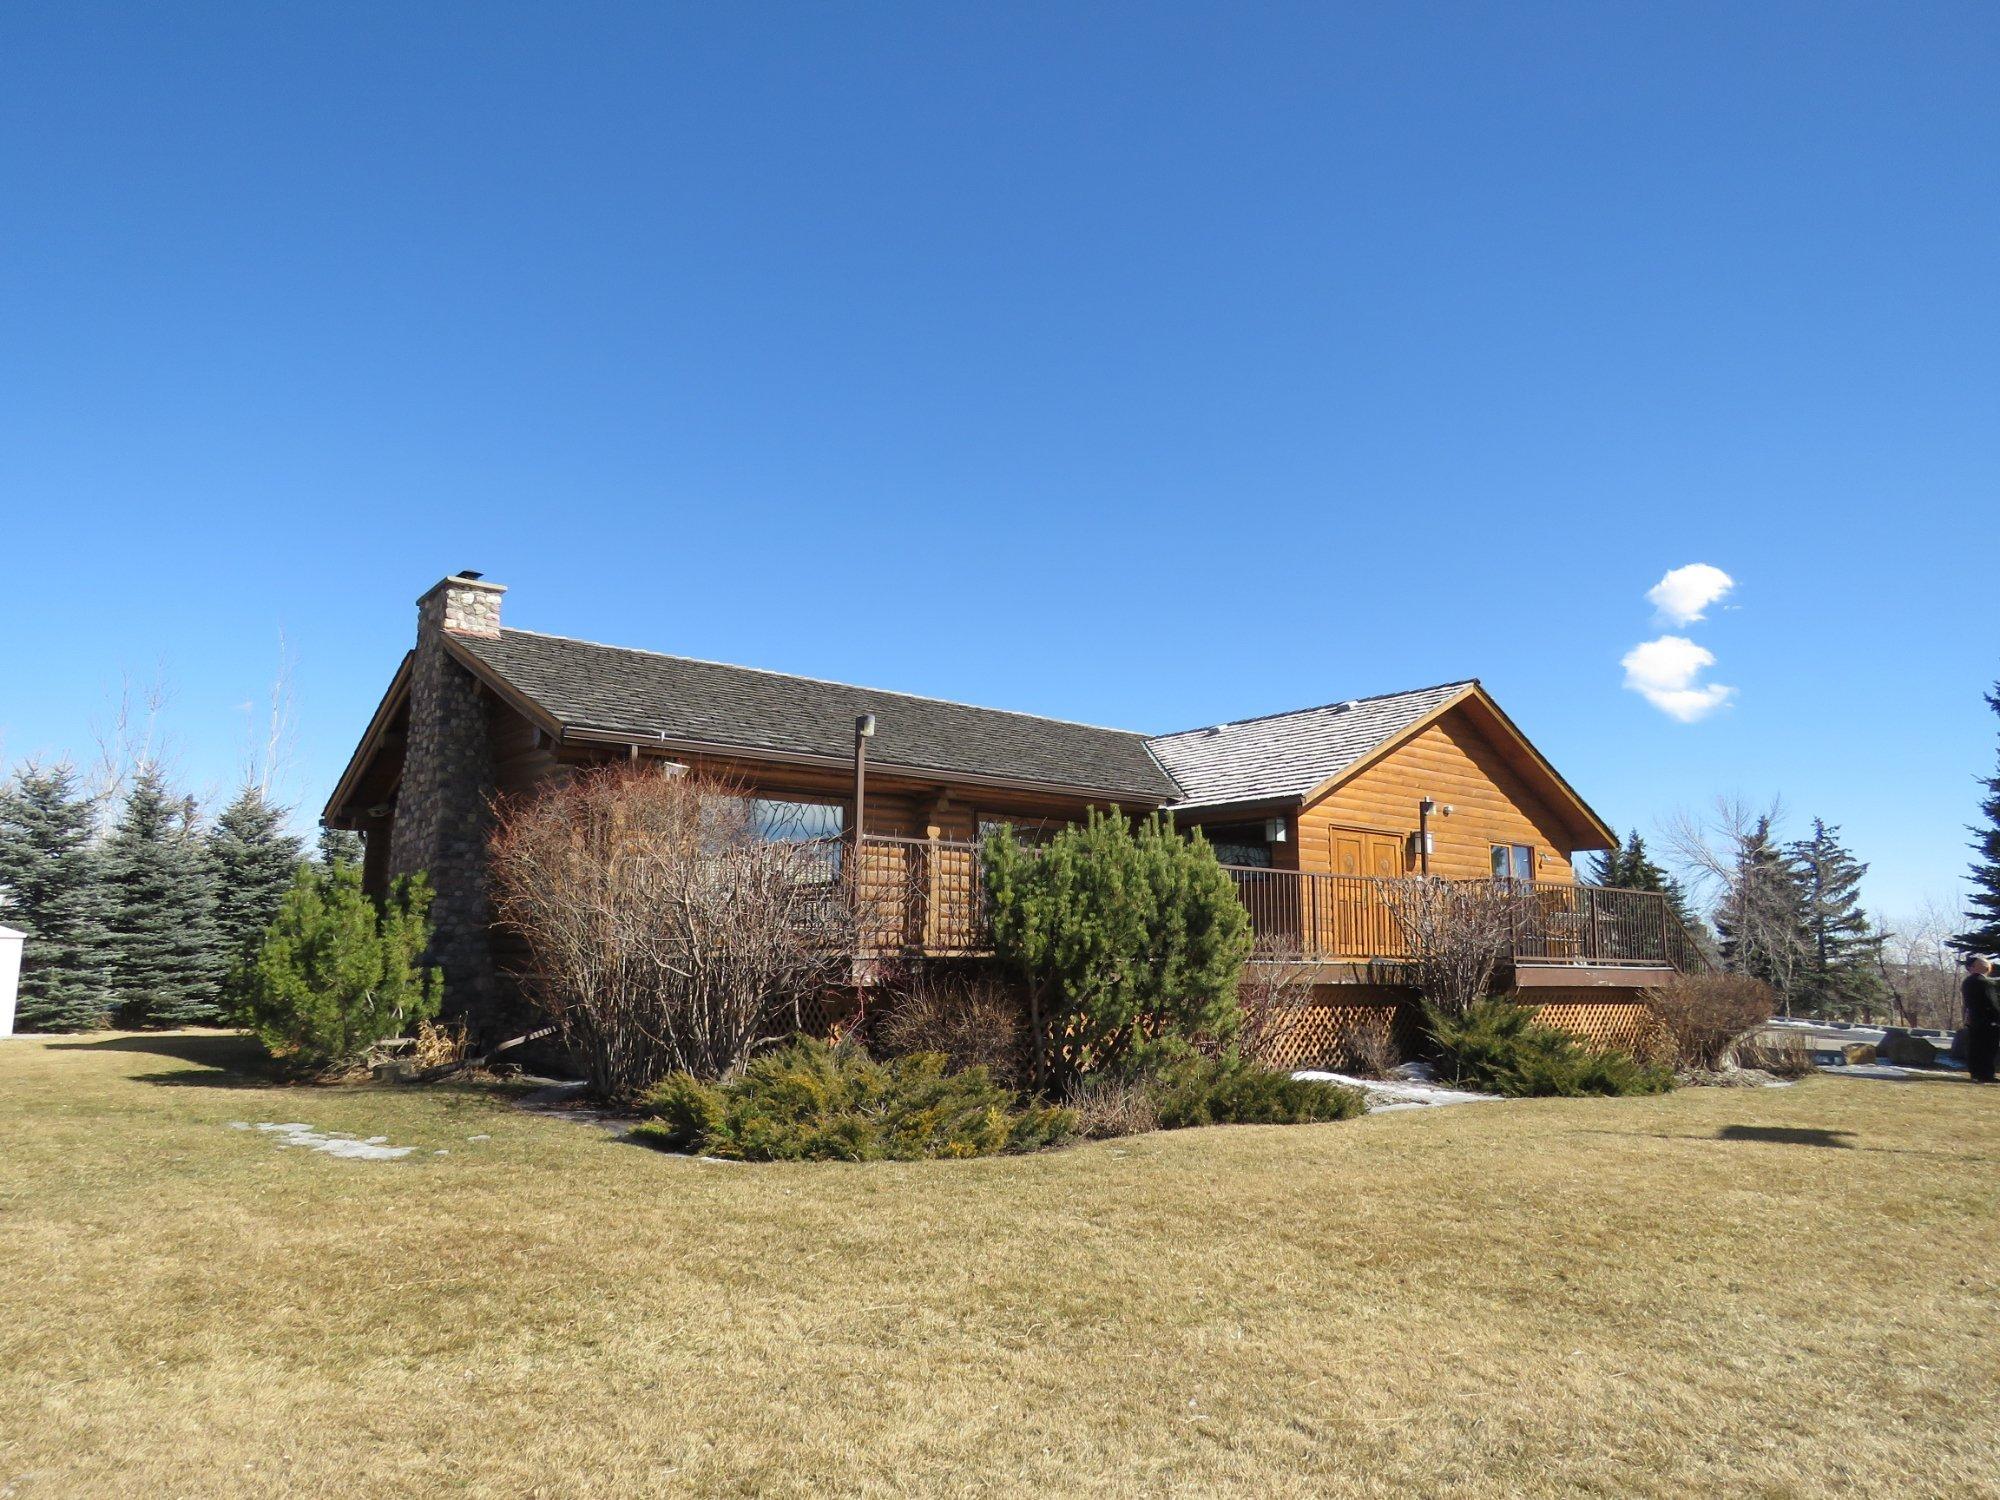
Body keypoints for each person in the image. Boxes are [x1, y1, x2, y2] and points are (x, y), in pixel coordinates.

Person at [1962, 955, 2000, 1085]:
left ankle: (1977, 1073)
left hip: (1976, 1019)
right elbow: (1991, 1003)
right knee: (1987, 1048)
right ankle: (1985, 1074)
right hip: (1987, 1020)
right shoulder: (1982, 982)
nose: (1988, 966)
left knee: (1977, 1047)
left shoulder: (1969, 981)